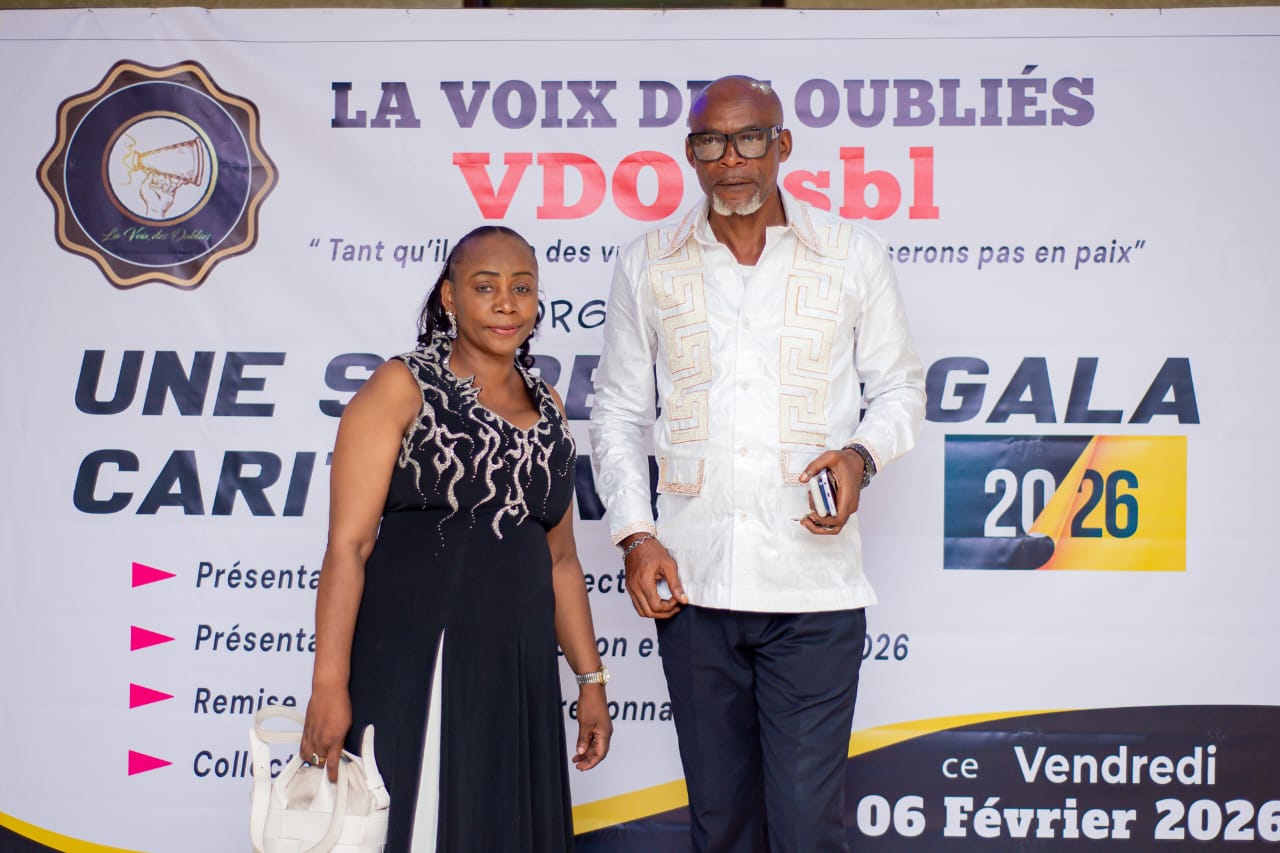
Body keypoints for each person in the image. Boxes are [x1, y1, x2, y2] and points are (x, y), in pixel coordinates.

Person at [589, 76, 925, 852]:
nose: (731, 160)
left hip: (813, 592)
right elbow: (617, 412)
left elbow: (902, 388)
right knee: (723, 826)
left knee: (805, 829)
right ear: (690, 154)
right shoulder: (649, 263)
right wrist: (636, 533)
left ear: (783, 145)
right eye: (711, 142)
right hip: (693, 588)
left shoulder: (850, 255)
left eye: (749, 139)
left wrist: (862, 455)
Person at [302, 225, 612, 852]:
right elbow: (349, 547)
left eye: (521, 288)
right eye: (485, 287)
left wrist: (591, 682)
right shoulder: (402, 386)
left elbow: (561, 561)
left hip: (518, 673)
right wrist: (329, 684)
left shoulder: (551, 408)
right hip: (419, 662)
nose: (506, 304)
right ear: (450, 296)